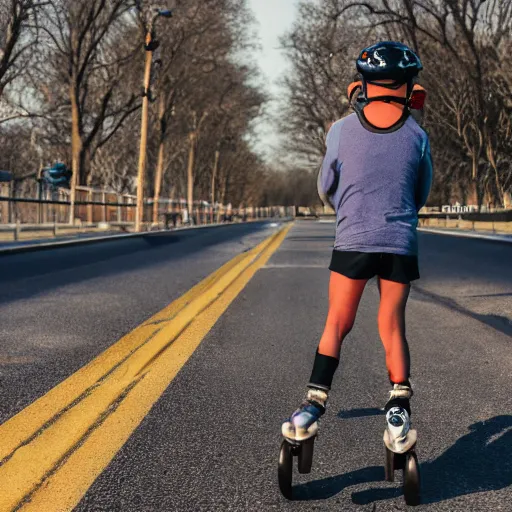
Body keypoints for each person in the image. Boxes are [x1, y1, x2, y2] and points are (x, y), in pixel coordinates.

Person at [282, 42, 433, 454]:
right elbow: (421, 192)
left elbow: (325, 186)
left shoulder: (341, 130)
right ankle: (398, 411)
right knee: (392, 326)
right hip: (400, 243)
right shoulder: (417, 136)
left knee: (337, 323)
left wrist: (347, 209)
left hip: (352, 239)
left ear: (361, 85)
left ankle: (311, 407)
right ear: (408, 88)